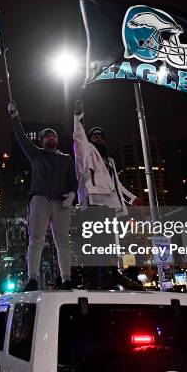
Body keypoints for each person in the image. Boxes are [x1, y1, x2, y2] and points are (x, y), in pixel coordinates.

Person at [8, 99, 77, 291]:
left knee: (63, 241)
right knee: (35, 239)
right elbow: (21, 136)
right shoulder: (36, 154)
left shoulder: (66, 159)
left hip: (62, 202)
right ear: (41, 141)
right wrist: (15, 117)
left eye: (53, 136)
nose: (50, 138)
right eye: (46, 137)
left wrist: (72, 194)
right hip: (40, 200)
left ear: (57, 140)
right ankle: (33, 278)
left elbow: (74, 180)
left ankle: (66, 279)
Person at [72, 99, 141, 290]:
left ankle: (109, 273)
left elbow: (115, 184)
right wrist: (78, 118)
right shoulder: (87, 152)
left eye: (100, 136)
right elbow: (78, 139)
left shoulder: (109, 160)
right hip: (93, 200)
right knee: (96, 240)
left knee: (109, 240)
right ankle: (97, 277)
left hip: (109, 203)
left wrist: (131, 198)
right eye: (93, 136)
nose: (97, 138)